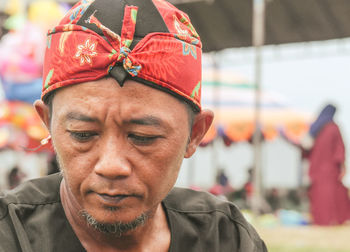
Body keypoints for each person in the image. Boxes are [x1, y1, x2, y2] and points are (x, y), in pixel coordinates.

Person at [0, 0, 267, 251]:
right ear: (48, 123)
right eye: (83, 134)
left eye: (143, 137)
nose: (111, 166)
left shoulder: (225, 238)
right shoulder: (10, 235)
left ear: (195, 134)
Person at [304, 104, 350, 225]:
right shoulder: (333, 128)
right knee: (332, 194)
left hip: (316, 169)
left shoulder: (315, 128)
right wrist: (343, 167)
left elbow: (307, 149)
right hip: (330, 169)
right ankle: (332, 219)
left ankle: (320, 220)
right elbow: (340, 149)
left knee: (319, 194)